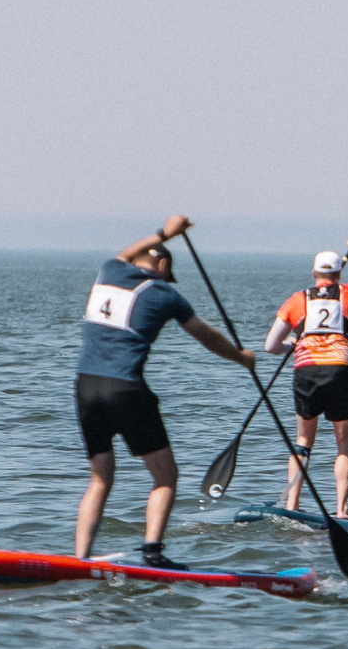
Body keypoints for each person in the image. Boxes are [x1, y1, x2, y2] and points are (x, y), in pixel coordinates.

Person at [74, 217, 256, 564]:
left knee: (100, 478)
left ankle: (80, 557)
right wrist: (241, 358)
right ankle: (153, 553)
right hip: (125, 388)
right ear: (162, 265)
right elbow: (207, 336)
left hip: (85, 387)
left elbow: (126, 252)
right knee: (166, 477)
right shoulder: (165, 295)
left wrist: (165, 233)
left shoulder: (108, 270)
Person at [265, 238, 348, 517]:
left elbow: (270, 346)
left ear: (314, 273)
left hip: (306, 372)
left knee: (303, 442)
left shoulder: (297, 299)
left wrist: (291, 344)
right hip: (339, 370)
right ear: (339, 275)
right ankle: (342, 510)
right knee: (344, 444)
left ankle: (293, 504)